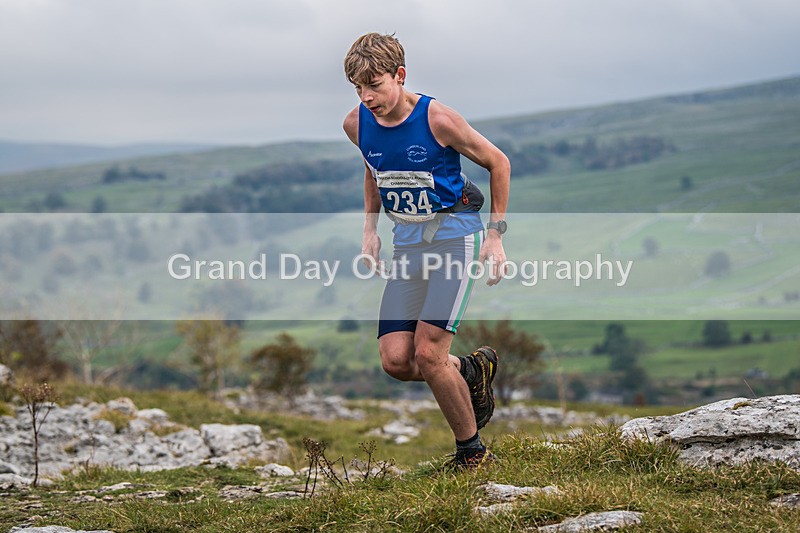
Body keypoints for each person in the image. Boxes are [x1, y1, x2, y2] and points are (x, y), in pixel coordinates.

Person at [342, 32, 510, 468]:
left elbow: (499, 163)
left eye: (375, 85)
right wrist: (369, 230)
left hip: (456, 236)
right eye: (358, 88)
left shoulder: (438, 119)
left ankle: (472, 453)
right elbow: (373, 169)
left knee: (429, 353)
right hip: (409, 243)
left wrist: (495, 236)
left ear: (399, 76)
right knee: (397, 360)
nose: (367, 96)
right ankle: (470, 372)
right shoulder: (356, 123)